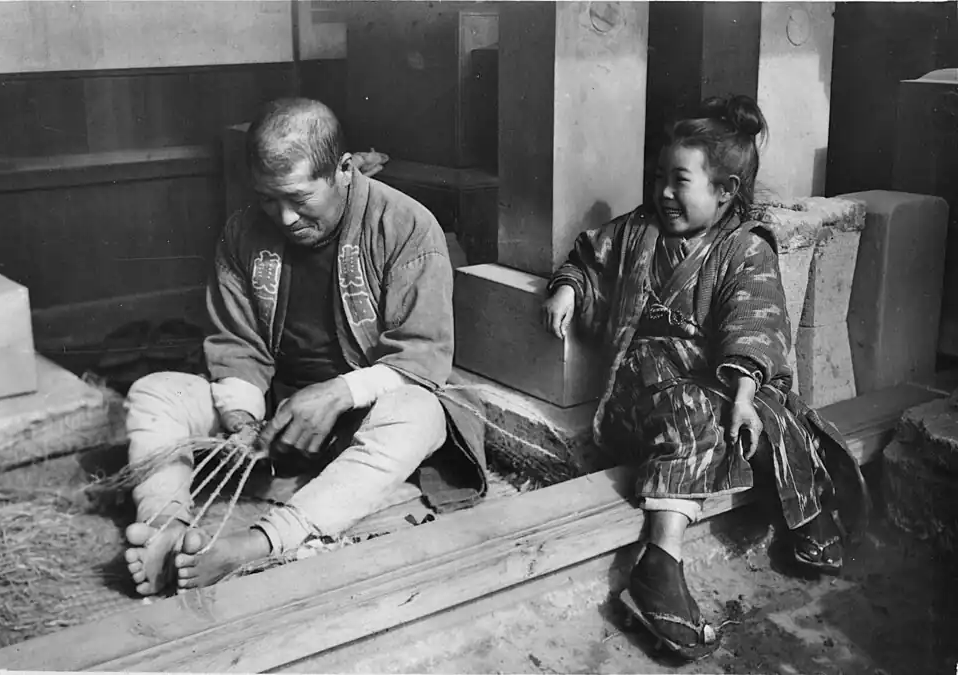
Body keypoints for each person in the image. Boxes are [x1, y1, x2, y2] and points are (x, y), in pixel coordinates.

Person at [541, 95, 868, 660]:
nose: (665, 192)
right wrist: (570, 287)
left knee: (768, 408)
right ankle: (658, 563)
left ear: (725, 192)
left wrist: (744, 393)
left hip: (716, 382)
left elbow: (754, 324)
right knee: (697, 412)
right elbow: (587, 259)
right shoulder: (636, 231)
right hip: (641, 386)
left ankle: (805, 507)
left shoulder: (744, 250)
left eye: (681, 181)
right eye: (661, 178)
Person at [122, 97, 487, 595]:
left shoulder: (405, 226)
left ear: (342, 169)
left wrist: (336, 393)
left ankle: (260, 542)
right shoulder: (243, 231)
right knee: (156, 391)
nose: (285, 217)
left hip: (362, 417)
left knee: (420, 414)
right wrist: (243, 420)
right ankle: (167, 526)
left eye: (298, 197)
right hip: (275, 414)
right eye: (269, 199)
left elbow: (422, 357)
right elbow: (237, 342)